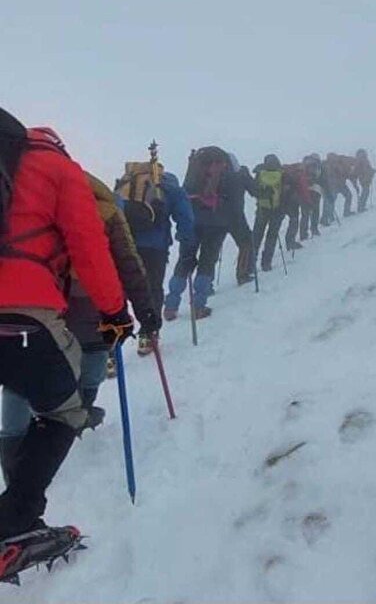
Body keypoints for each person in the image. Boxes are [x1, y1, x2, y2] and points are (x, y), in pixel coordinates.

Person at [0, 110, 132, 540]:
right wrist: (114, 312)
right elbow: (89, 248)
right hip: (23, 313)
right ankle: (14, 522)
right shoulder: (58, 167)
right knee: (64, 412)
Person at [1, 172, 157, 483]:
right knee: (91, 367)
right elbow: (128, 263)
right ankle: (69, 427)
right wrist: (145, 311)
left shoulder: (23, 209)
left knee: (21, 381)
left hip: (35, 313)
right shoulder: (108, 211)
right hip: (94, 311)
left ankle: (14, 455)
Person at [115, 145, 194, 354]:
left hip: (124, 245)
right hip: (155, 248)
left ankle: (110, 345)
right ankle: (148, 335)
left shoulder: (126, 185)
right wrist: (186, 241)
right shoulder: (170, 188)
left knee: (119, 290)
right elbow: (185, 218)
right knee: (152, 289)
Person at [165, 146, 235, 320]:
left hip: (192, 221)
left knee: (184, 262)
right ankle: (198, 306)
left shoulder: (195, 172)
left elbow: (184, 192)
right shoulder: (227, 173)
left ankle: (170, 306)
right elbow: (233, 201)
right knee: (206, 263)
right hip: (216, 224)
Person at [225, 156, 258, 286]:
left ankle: (206, 285)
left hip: (214, 217)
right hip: (236, 216)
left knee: (211, 250)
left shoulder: (216, 177)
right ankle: (242, 274)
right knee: (246, 242)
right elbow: (255, 191)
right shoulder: (241, 175)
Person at [253, 154, 284, 271]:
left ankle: (251, 263)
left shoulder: (259, 173)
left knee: (256, 236)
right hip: (277, 209)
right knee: (272, 236)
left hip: (262, 209)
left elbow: (255, 190)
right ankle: (266, 263)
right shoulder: (281, 173)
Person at [282, 162, 311, 251]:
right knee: (294, 221)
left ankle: (289, 241)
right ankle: (290, 242)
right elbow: (303, 190)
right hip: (292, 201)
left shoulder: (285, 173)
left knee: (292, 221)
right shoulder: (300, 175)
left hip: (281, 201)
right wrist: (308, 201)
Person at [300, 154, 322, 240]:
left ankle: (303, 234)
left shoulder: (304, 166)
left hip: (303, 193)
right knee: (315, 211)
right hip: (314, 191)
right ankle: (314, 229)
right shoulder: (316, 166)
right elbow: (318, 179)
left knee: (305, 214)